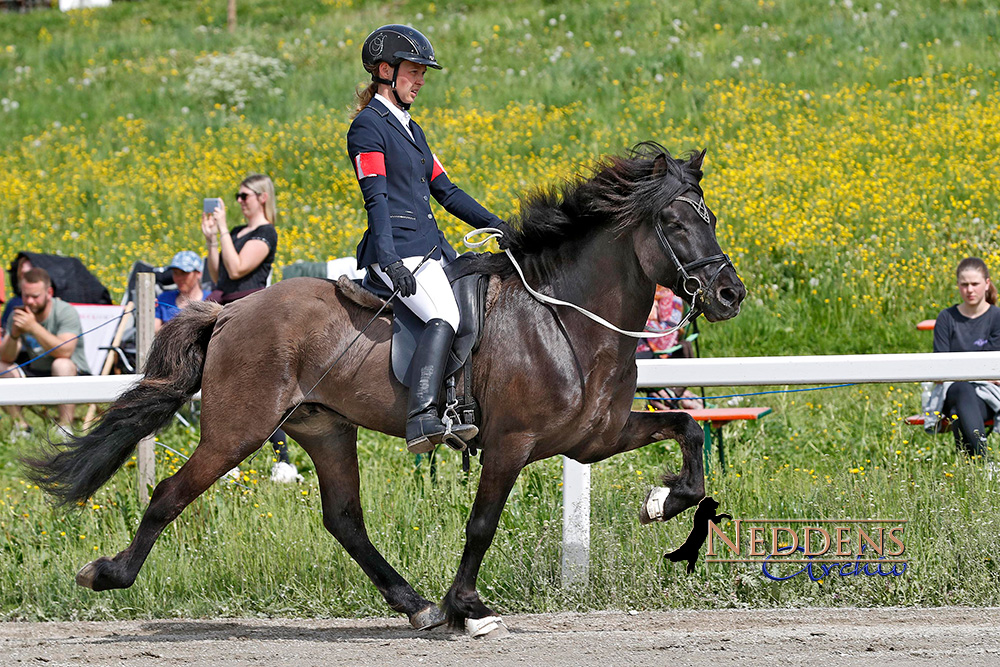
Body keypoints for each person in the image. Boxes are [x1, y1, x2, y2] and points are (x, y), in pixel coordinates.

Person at [347, 24, 510, 453]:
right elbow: (376, 199)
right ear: (386, 70)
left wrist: (499, 225)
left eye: (423, 73)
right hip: (396, 250)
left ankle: (459, 407)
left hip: (431, 248)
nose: (421, 81)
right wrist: (390, 259)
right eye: (415, 71)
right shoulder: (368, 128)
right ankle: (421, 417)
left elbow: (447, 192)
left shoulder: (414, 131)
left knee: (475, 309)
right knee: (445, 316)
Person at [201, 173, 301, 482]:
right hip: (228, 308)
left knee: (259, 391)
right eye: (238, 197)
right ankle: (226, 457)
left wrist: (222, 233)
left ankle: (282, 460)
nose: (239, 202)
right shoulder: (237, 231)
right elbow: (219, 274)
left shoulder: (266, 233)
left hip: (252, 314)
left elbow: (239, 267)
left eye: (245, 196)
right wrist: (212, 240)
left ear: (262, 197)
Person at [0, 267, 91, 438]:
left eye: (35, 296)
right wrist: (13, 334)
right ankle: (21, 427)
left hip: (71, 373)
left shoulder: (65, 311)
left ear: (49, 292)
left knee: (61, 364)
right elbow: (6, 357)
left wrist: (33, 328)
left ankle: (64, 427)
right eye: (25, 296)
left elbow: (65, 351)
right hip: (35, 372)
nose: (30, 302)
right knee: (1, 367)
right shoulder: (18, 315)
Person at [927, 257, 1000, 457]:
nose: (969, 290)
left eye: (975, 284)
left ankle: (973, 469)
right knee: (961, 388)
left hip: (988, 396)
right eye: (964, 284)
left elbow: (993, 370)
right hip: (954, 390)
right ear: (958, 286)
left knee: (957, 414)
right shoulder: (946, 318)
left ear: (986, 284)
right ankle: (984, 462)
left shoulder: (996, 318)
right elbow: (940, 366)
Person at [637, 285, 703, 411]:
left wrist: (644, 319)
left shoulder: (671, 298)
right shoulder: (639, 291)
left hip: (653, 354)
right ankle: (681, 398)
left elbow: (666, 338)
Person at [154, 251, 207, 332]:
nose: (178, 278)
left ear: (199, 273)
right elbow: (153, 330)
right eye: (175, 273)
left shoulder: (210, 299)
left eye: (184, 273)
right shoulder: (163, 299)